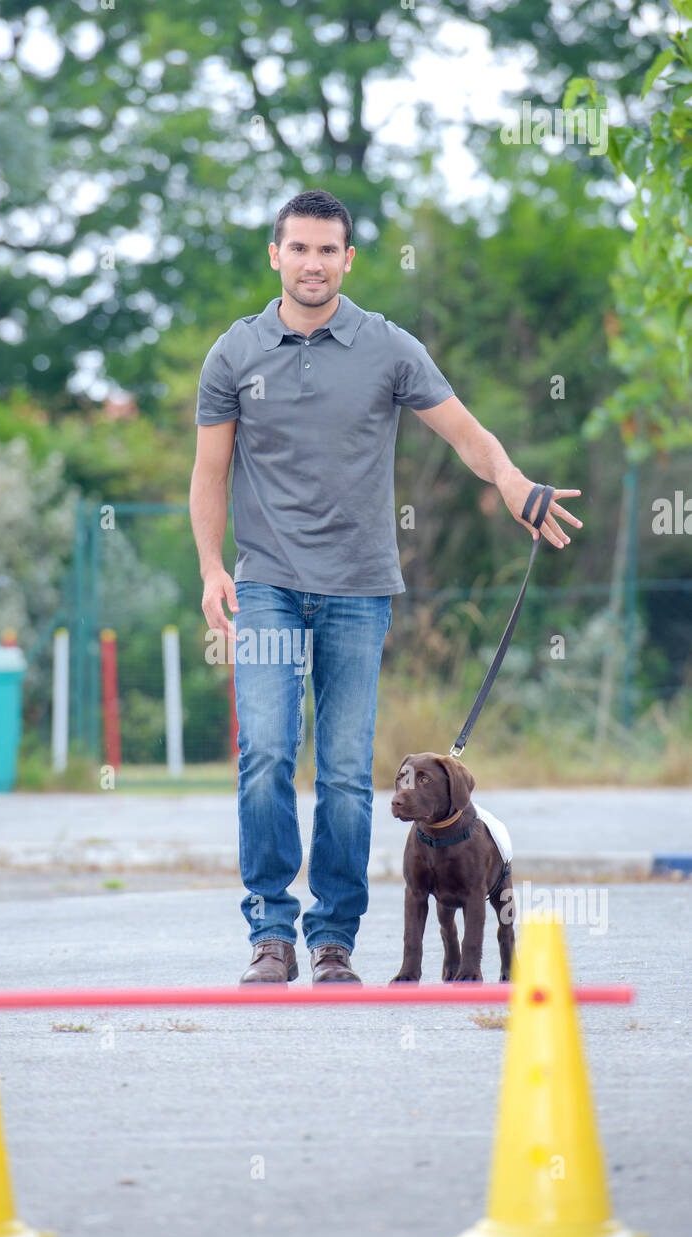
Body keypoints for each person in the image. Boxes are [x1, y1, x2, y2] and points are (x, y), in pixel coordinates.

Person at [189, 189, 581, 985]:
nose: (311, 262)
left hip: (357, 590)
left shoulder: (387, 348)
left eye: (326, 250)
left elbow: (467, 435)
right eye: (297, 248)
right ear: (275, 255)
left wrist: (510, 483)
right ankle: (270, 932)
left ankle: (332, 939)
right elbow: (209, 469)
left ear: (347, 260)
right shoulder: (234, 353)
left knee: (341, 769)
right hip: (264, 584)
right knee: (264, 752)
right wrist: (209, 567)